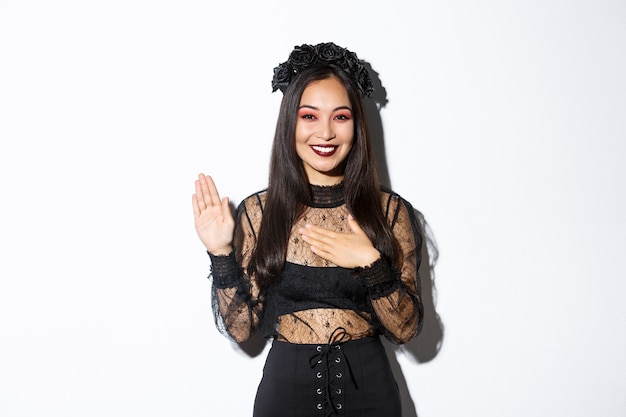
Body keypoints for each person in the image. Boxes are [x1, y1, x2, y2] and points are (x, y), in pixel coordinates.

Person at [192, 42, 423, 417]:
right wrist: (220, 254)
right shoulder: (258, 213)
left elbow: (407, 329)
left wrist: (371, 263)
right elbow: (241, 329)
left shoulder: (390, 212)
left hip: (372, 396)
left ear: (356, 124)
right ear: (290, 123)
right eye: (310, 116)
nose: (326, 133)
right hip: (285, 397)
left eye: (341, 117)